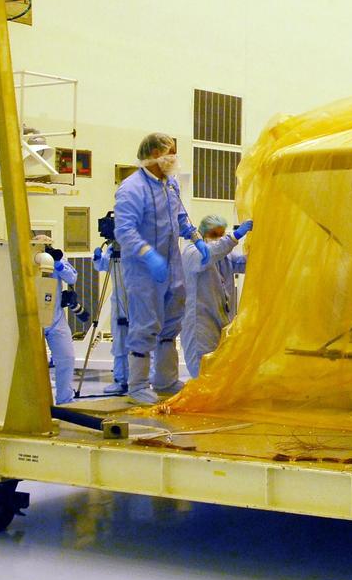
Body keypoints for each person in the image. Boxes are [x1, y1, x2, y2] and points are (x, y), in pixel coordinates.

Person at [114, 133, 208, 404]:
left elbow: (181, 216)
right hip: (144, 271)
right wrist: (149, 255)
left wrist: (196, 239)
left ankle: (165, 380)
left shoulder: (170, 185)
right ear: (155, 153)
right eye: (171, 152)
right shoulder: (132, 189)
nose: (174, 158)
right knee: (145, 325)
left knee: (171, 322)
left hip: (172, 266)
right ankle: (137, 386)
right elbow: (125, 231)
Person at [180, 215, 252, 377]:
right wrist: (234, 237)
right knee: (202, 370)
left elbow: (246, 264)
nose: (218, 239)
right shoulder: (192, 253)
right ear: (203, 234)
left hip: (221, 321)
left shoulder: (225, 257)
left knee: (219, 370)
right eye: (214, 235)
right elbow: (212, 252)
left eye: (221, 234)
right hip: (200, 322)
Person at [35, 236, 78, 406]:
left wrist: (58, 264)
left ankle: (65, 400)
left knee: (67, 357)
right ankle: (35, 403)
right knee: (32, 364)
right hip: (33, 318)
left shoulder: (56, 260)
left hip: (56, 318)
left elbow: (72, 278)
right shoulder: (25, 259)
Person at [92, 242, 129, 395]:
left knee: (140, 343)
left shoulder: (135, 243)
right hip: (118, 303)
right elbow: (102, 266)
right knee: (119, 344)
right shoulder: (112, 249)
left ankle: (140, 380)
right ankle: (120, 380)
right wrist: (97, 258)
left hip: (137, 301)